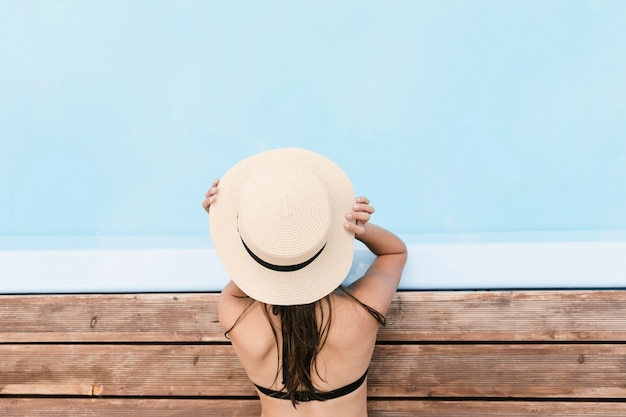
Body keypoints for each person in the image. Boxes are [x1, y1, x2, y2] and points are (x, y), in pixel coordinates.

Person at [202, 148, 407, 417]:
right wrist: (357, 228)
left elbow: (245, 274)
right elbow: (394, 252)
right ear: (322, 241)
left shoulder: (235, 314)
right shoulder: (361, 312)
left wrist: (231, 225)